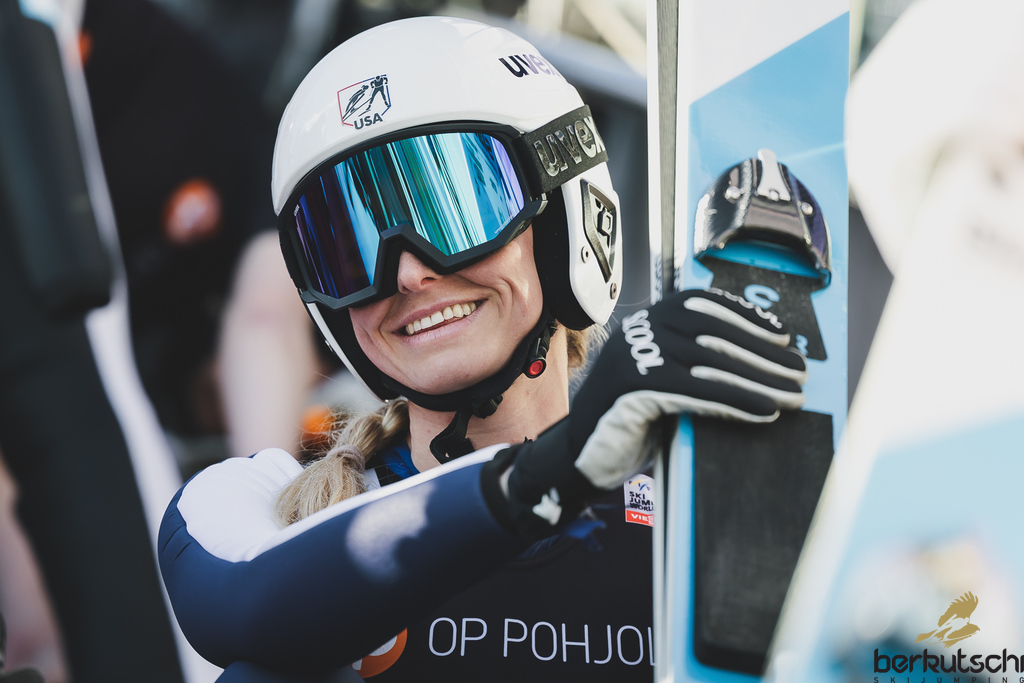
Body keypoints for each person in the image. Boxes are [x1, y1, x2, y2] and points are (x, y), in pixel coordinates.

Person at [158, 16, 808, 682]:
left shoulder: (685, 516)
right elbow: (238, 607)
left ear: (563, 221)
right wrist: (552, 471)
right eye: (351, 246)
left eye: (453, 211)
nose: (408, 273)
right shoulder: (263, 504)